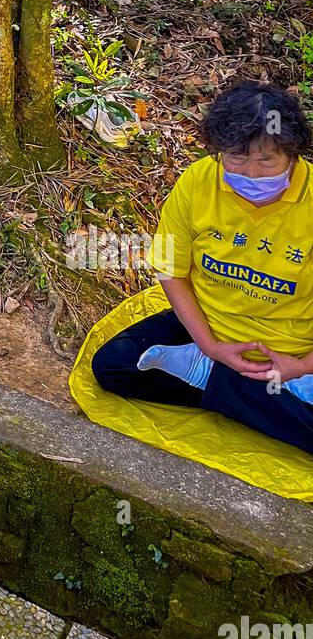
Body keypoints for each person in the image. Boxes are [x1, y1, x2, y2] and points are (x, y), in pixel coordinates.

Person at [92, 80, 313, 456]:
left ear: (293, 154)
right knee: (113, 366)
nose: (253, 175)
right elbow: (171, 270)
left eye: (268, 160)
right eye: (237, 158)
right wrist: (210, 346)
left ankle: (209, 378)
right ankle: (225, 379)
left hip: (293, 350)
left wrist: (302, 366)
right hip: (208, 329)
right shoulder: (197, 181)